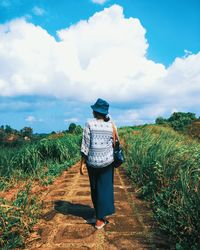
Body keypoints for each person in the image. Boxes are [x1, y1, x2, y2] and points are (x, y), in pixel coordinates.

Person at [80, 98, 118, 229]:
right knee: (105, 190)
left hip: (92, 162)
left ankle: (98, 216)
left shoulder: (89, 123)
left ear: (95, 111)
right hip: (107, 162)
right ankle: (100, 219)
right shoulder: (111, 124)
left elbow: (85, 145)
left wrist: (82, 163)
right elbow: (115, 142)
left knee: (95, 188)